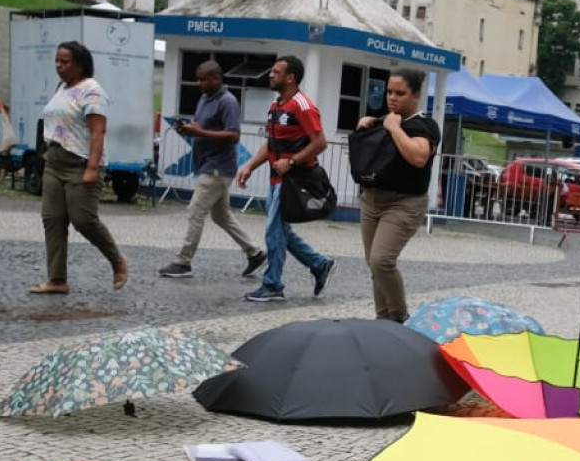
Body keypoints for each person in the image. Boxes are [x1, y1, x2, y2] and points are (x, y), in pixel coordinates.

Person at [28, 41, 127, 295]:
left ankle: (117, 260)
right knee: (53, 219)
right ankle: (57, 279)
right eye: (57, 61)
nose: (58, 66)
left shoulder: (92, 90)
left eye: (65, 61)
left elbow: (97, 131)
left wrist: (92, 168)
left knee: (83, 219)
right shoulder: (61, 88)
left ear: (80, 64)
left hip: (80, 163)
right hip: (54, 162)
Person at [236, 56, 334, 303]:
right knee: (280, 230)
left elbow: (320, 142)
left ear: (290, 77)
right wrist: (250, 166)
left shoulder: (303, 106)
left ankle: (273, 285)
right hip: (277, 178)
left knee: (274, 230)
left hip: (294, 179)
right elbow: (271, 144)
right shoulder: (275, 106)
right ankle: (319, 263)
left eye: (276, 72)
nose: (270, 75)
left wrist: (290, 162)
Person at [159, 60, 266, 279]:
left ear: (217, 78)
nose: (199, 83)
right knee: (221, 216)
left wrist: (199, 133)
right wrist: (189, 129)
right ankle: (254, 252)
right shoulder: (205, 98)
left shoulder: (228, 101)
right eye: (198, 78)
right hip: (209, 163)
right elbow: (202, 127)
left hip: (218, 167)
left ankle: (183, 261)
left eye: (203, 79)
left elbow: (233, 135)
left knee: (195, 211)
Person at [353, 67, 441, 320]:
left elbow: (419, 157)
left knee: (382, 261)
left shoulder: (424, 125)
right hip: (372, 200)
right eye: (389, 92)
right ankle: (383, 320)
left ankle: (400, 318)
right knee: (374, 265)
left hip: (404, 203)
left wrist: (394, 129)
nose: (392, 97)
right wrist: (365, 129)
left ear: (415, 95)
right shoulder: (384, 120)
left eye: (400, 93)